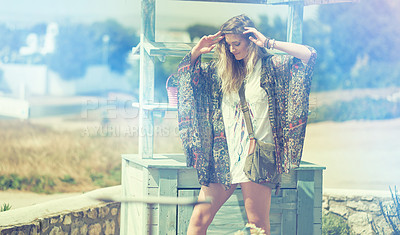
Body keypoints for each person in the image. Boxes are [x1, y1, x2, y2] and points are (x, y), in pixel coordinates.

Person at [174, 14, 317, 235]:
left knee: (257, 228)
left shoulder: (272, 68)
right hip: (223, 158)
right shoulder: (219, 72)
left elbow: (309, 55)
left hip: (255, 159)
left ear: (251, 39)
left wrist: (269, 42)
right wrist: (196, 52)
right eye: (228, 45)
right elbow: (184, 80)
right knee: (197, 222)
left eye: (237, 44)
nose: (231, 50)